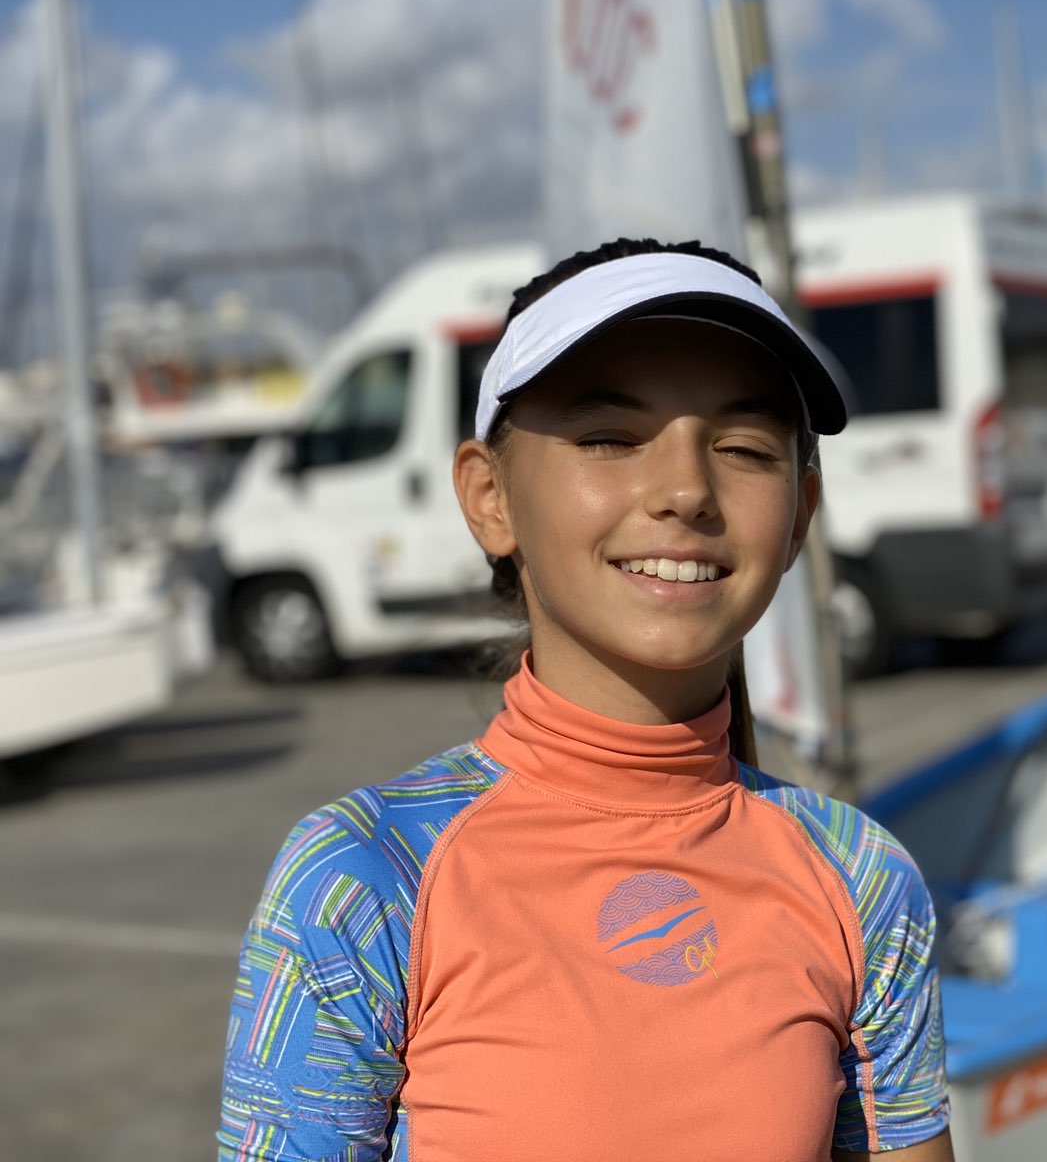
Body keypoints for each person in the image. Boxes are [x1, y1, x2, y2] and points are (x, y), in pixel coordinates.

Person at [216, 238, 953, 1161]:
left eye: (743, 448)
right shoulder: (361, 881)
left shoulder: (863, 881)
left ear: (802, 514)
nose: (686, 490)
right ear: (490, 497)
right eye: (609, 437)